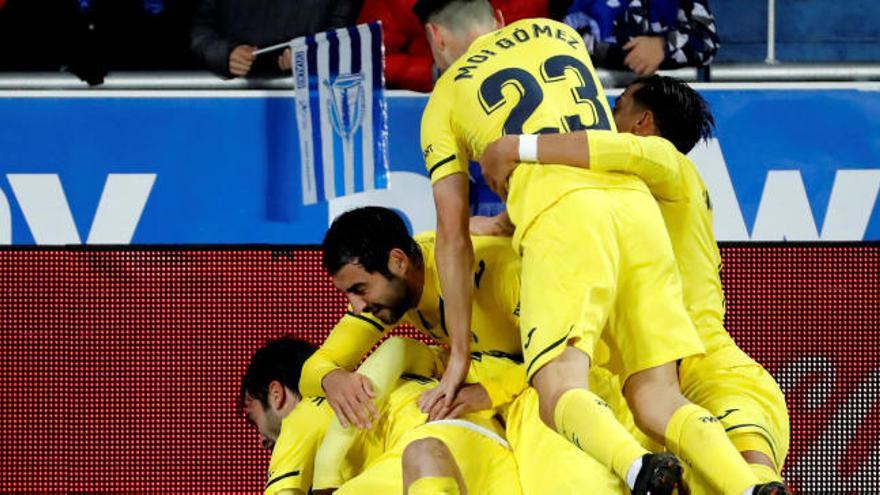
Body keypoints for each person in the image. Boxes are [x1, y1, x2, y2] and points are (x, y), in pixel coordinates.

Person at [415, 1, 781, 493]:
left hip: (563, 219)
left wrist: (459, 353)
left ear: (437, 38)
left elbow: (453, 241)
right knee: (657, 399)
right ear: (500, 20)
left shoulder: (442, 99)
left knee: (556, 387)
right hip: (631, 207)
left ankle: (639, 469)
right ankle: (749, 486)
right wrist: (506, 217)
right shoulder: (558, 34)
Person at [478, 75, 791, 493]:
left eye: (618, 105)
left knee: (749, 469)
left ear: (643, 122)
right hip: (651, 374)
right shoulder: (611, 198)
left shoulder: (669, 162)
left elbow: (613, 148)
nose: (605, 115)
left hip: (706, 361)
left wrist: (517, 147)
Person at [307, 206, 629, 494]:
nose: (357, 306)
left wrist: (490, 391)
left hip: (554, 381)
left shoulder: (498, 270)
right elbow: (316, 366)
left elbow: (584, 348)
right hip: (497, 396)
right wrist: (333, 379)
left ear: (398, 262)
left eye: (360, 290)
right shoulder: (392, 291)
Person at [240, 335, 520, 495]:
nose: (262, 442)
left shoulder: (305, 413)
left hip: (428, 446)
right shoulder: (402, 377)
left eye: (253, 419)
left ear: (276, 394)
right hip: (498, 459)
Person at [357, 0, 551, 92]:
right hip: (426, 99)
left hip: (513, 93)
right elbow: (364, 57)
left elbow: (540, 46)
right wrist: (431, 72)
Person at [189, 0, 359, 78]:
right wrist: (225, 54)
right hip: (234, 98)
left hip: (304, 100)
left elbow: (343, 37)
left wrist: (312, 55)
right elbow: (199, 31)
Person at [563, 0, 719, 76]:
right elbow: (561, 38)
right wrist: (628, 54)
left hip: (664, 99)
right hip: (596, 95)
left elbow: (707, 40)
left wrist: (663, 45)